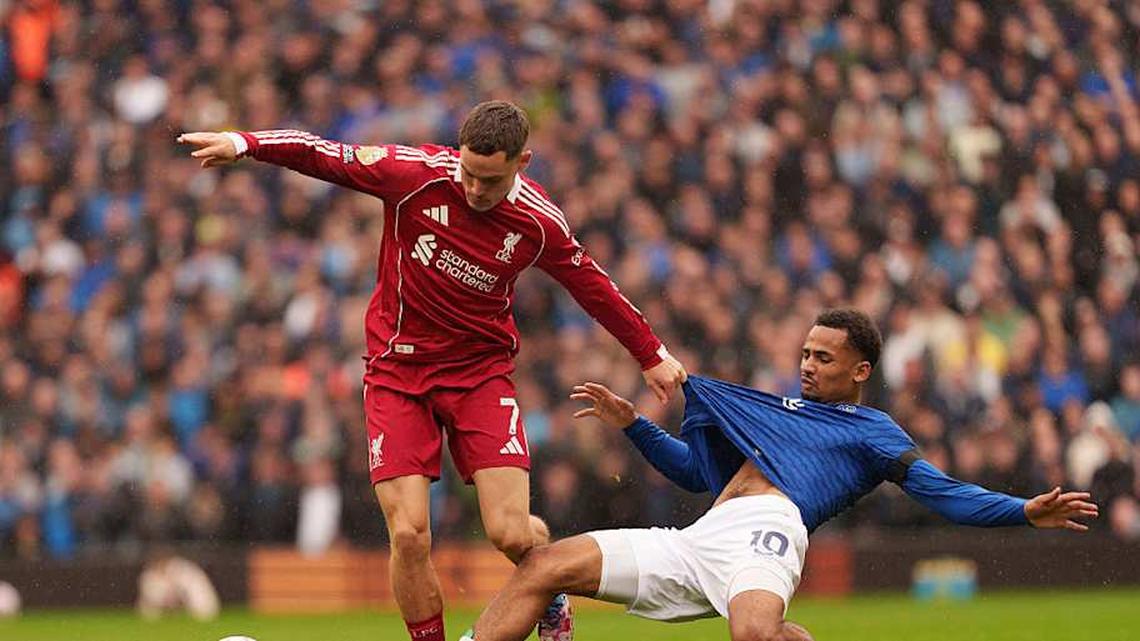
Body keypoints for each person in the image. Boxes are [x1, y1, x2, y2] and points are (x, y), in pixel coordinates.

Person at [177, 100, 686, 641]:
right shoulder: (415, 175)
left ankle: (550, 588)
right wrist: (246, 143)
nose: (473, 189)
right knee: (410, 534)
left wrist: (651, 353)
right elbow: (324, 154)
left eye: (489, 180)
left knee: (511, 534)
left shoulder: (539, 223)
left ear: (523, 162)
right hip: (397, 374)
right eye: (467, 172)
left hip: (479, 376)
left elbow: (593, 287)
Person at [460, 309, 1098, 641]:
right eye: (805, 353)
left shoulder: (874, 433)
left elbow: (941, 492)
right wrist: (635, 426)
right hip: (703, 535)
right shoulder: (770, 411)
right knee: (541, 567)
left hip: (772, 529)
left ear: (860, 371)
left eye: (824, 357)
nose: (808, 365)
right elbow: (695, 474)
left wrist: (1021, 511)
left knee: (755, 632)